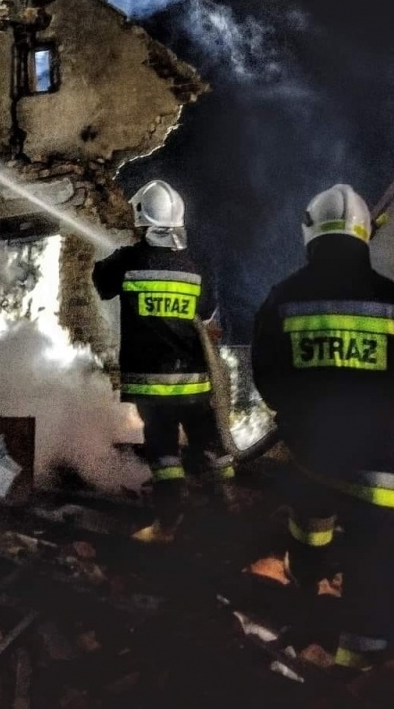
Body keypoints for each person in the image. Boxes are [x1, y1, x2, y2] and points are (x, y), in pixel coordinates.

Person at [250, 183, 394, 671]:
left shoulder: (284, 299)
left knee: (309, 525)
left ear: (310, 233)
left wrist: (298, 414)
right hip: (382, 468)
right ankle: (356, 673)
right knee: (372, 574)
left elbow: (267, 377)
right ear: (365, 235)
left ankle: (305, 582)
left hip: (310, 459)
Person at [93, 179, 235, 542]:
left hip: (151, 387)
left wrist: (116, 256)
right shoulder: (195, 267)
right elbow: (206, 311)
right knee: (213, 447)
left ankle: (168, 525)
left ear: (141, 218)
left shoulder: (128, 261)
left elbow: (102, 283)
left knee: (165, 455)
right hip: (194, 384)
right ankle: (231, 511)